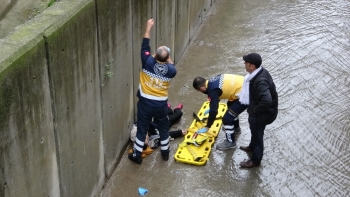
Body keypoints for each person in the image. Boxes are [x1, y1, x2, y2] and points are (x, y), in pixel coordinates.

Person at [128, 18, 176, 164]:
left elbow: (145, 44)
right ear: (168, 58)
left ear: (154, 56)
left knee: (142, 128)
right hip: (161, 105)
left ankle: (137, 155)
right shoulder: (171, 71)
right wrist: (166, 58)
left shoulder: (147, 61)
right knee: (163, 127)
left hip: (145, 104)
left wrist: (149, 27)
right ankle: (165, 152)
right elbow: (171, 64)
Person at [238, 53, 278, 168]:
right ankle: (251, 146)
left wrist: (255, 110)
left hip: (261, 114)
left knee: (258, 135)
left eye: (246, 62)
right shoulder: (260, 72)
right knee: (254, 131)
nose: (244, 64)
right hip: (259, 111)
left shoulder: (260, 81)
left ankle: (255, 160)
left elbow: (267, 100)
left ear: (252, 66)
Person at [192, 74, 248, 150]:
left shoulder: (212, 90)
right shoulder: (212, 81)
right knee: (231, 106)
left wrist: (208, 126)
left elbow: (214, 111)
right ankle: (236, 128)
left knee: (227, 118)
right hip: (245, 86)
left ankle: (230, 142)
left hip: (247, 94)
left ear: (202, 88)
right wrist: (212, 107)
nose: (201, 92)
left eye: (199, 91)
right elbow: (220, 91)